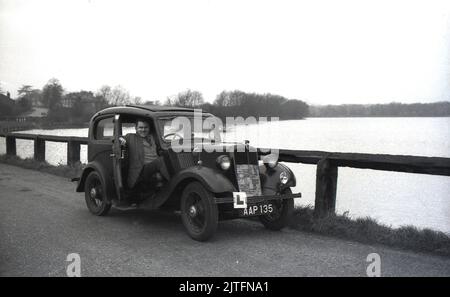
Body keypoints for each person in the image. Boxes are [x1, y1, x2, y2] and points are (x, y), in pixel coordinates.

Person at [119, 119, 164, 190]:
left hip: (155, 166)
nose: (143, 130)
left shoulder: (152, 137)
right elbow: (119, 140)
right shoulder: (130, 137)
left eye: (146, 127)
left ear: (149, 128)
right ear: (136, 128)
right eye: (140, 127)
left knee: (168, 156)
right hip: (141, 169)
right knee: (162, 160)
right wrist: (120, 142)